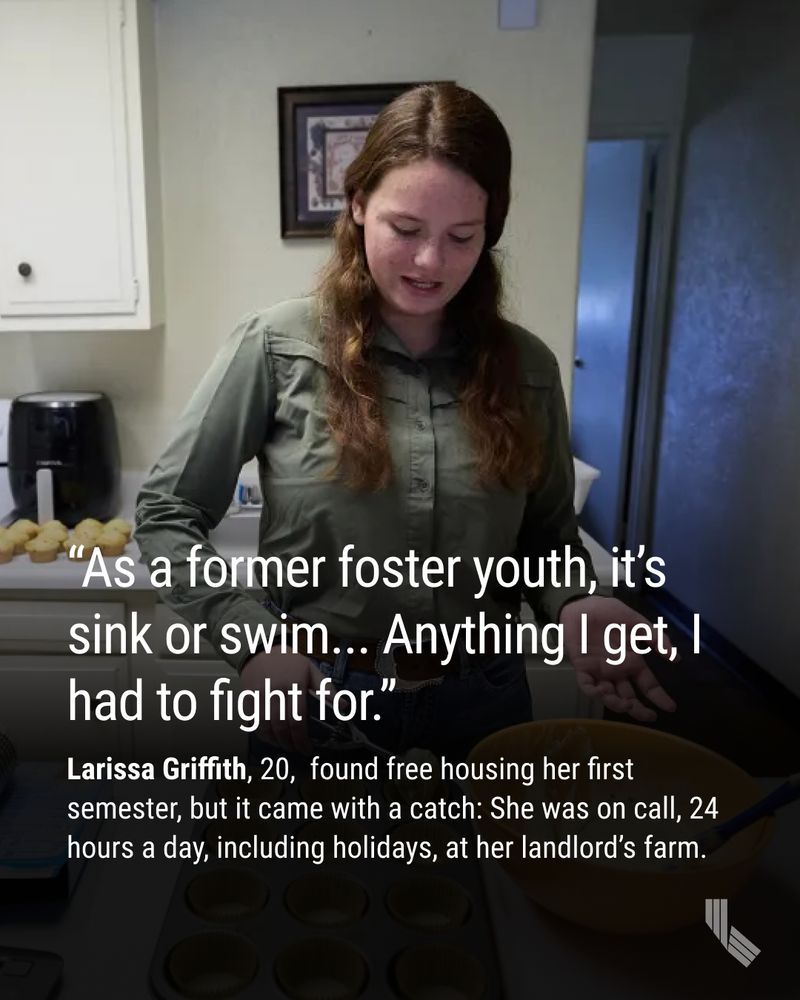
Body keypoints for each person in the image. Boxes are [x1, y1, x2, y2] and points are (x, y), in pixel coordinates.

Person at [135, 83, 676, 763]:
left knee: (476, 873)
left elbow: (544, 539)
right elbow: (166, 510)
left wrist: (576, 602)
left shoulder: (526, 366)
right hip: (316, 700)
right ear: (358, 205)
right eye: (406, 229)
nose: (430, 263)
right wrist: (252, 642)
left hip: (486, 705)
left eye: (461, 238)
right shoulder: (276, 345)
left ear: (490, 231)